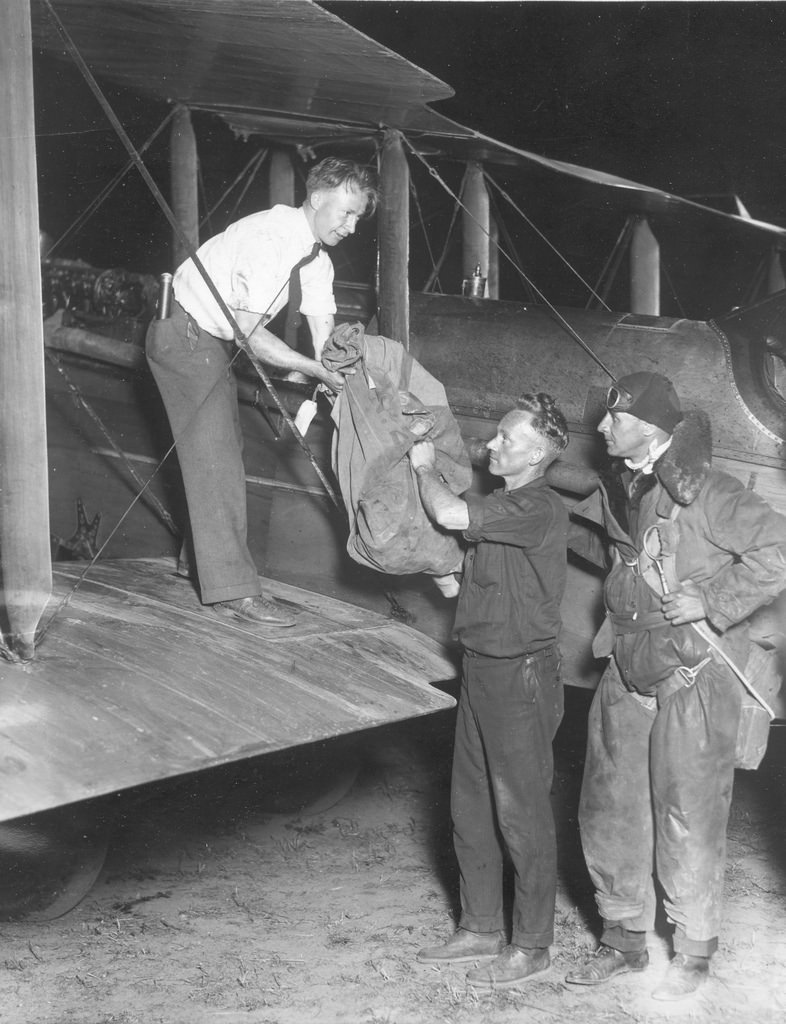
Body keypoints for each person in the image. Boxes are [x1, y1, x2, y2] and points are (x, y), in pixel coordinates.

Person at [565, 372, 786, 1001]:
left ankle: (692, 952)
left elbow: (779, 546)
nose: (603, 427)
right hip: (626, 667)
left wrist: (715, 600)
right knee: (609, 806)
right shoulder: (621, 486)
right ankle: (623, 939)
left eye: (615, 418)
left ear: (652, 426)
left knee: (688, 813)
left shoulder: (708, 491)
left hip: (693, 673)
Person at [146, 157, 378, 625]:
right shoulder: (269, 238)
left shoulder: (314, 255)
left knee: (222, 449)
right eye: (346, 213)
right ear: (316, 199)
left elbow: (322, 325)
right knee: (217, 459)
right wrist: (311, 368)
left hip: (206, 342)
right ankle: (234, 592)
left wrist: (342, 371)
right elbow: (249, 334)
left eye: (358, 217)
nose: (352, 226)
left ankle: (200, 564)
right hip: (185, 335)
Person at [411, 392, 570, 989]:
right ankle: (480, 926)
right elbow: (469, 586)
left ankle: (533, 943)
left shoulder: (539, 506)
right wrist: (442, 573)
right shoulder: (506, 506)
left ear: (535, 456)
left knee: (521, 812)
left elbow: (452, 515)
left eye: (506, 439)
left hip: (520, 677)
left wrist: (424, 466)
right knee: (469, 804)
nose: (491, 445)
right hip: (479, 667)